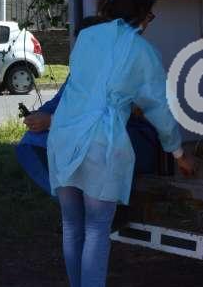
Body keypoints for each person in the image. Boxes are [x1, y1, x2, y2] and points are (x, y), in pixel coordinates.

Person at [47, 0, 196, 287]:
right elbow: (159, 108)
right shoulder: (142, 50)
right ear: (143, 15)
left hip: (64, 134)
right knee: (97, 228)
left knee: (72, 226)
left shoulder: (87, 37)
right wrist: (178, 152)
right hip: (101, 141)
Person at [16, 19, 161, 194]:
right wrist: (39, 115)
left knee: (87, 144)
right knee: (35, 141)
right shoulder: (81, 71)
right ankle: (68, 196)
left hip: (129, 137)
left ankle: (93, 199)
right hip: (84, 133)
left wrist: (52, 121)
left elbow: (103, 117)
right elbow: (60, 101)